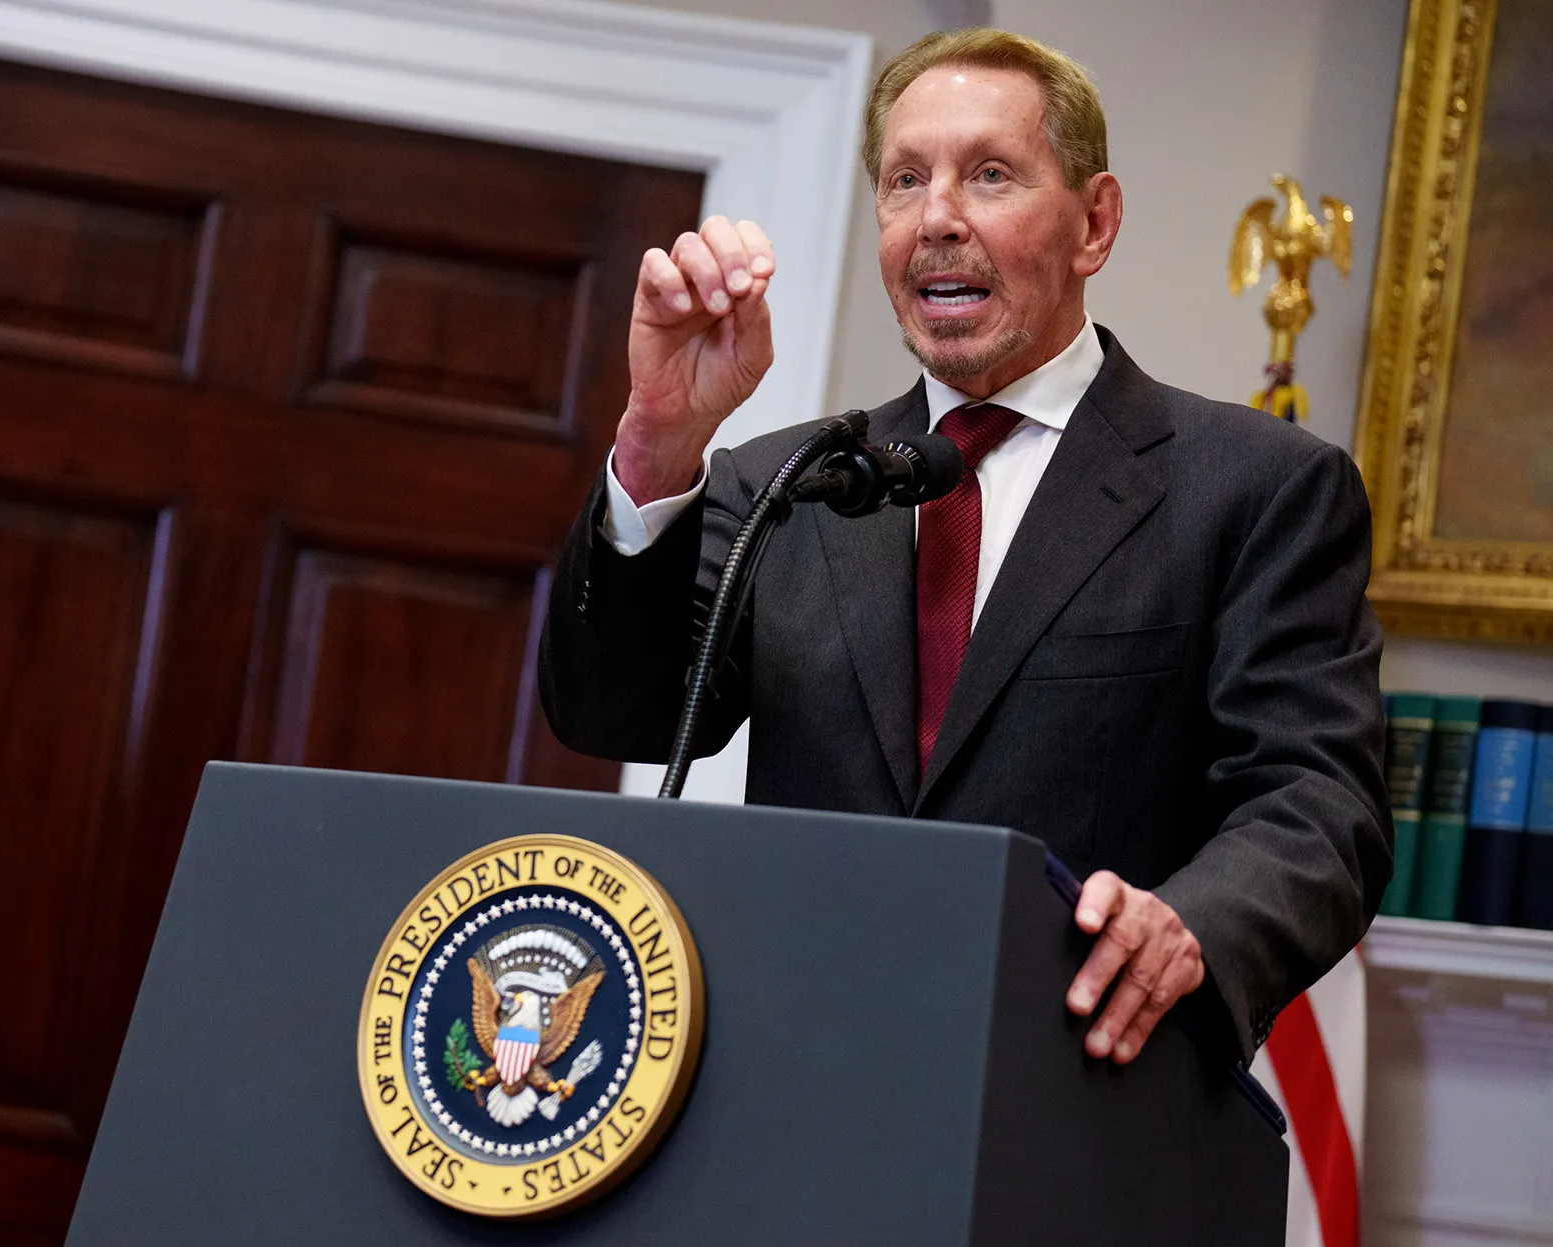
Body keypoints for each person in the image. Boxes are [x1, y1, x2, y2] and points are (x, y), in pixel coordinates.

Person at [539, 28, 1387, 1069]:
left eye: (989, 174)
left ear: (1094, 223)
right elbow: (612, 713)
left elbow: (1319, 806)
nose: (937, 217)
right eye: (905, 180)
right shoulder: (787, 485)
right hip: (795, 1071)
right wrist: (658, 442)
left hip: (1078, 1085)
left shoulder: (1252, 488)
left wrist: (1188, 927)